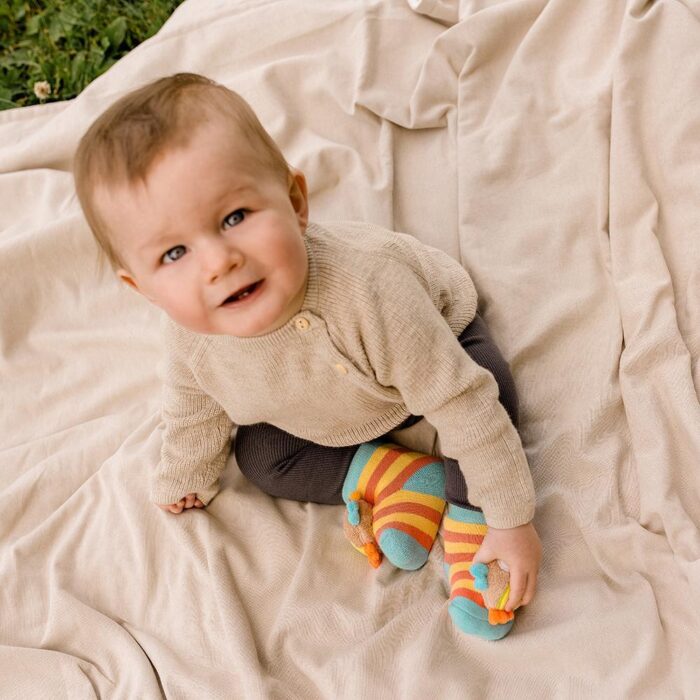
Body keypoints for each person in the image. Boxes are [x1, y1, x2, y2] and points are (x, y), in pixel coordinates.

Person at [73, 72, 541, 641]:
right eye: (174, 253)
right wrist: (186, 474)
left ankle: (472, 517)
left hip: (436, 353)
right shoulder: (190, 339)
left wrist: (511, 521)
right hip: (328, 409)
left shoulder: (371, 292)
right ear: (141, 287)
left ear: (295, 202)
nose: (219, 262)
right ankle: (399, 475)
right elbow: (194, 409)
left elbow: (461, 404)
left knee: (488, 391)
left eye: (235, 218)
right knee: (258, 455)